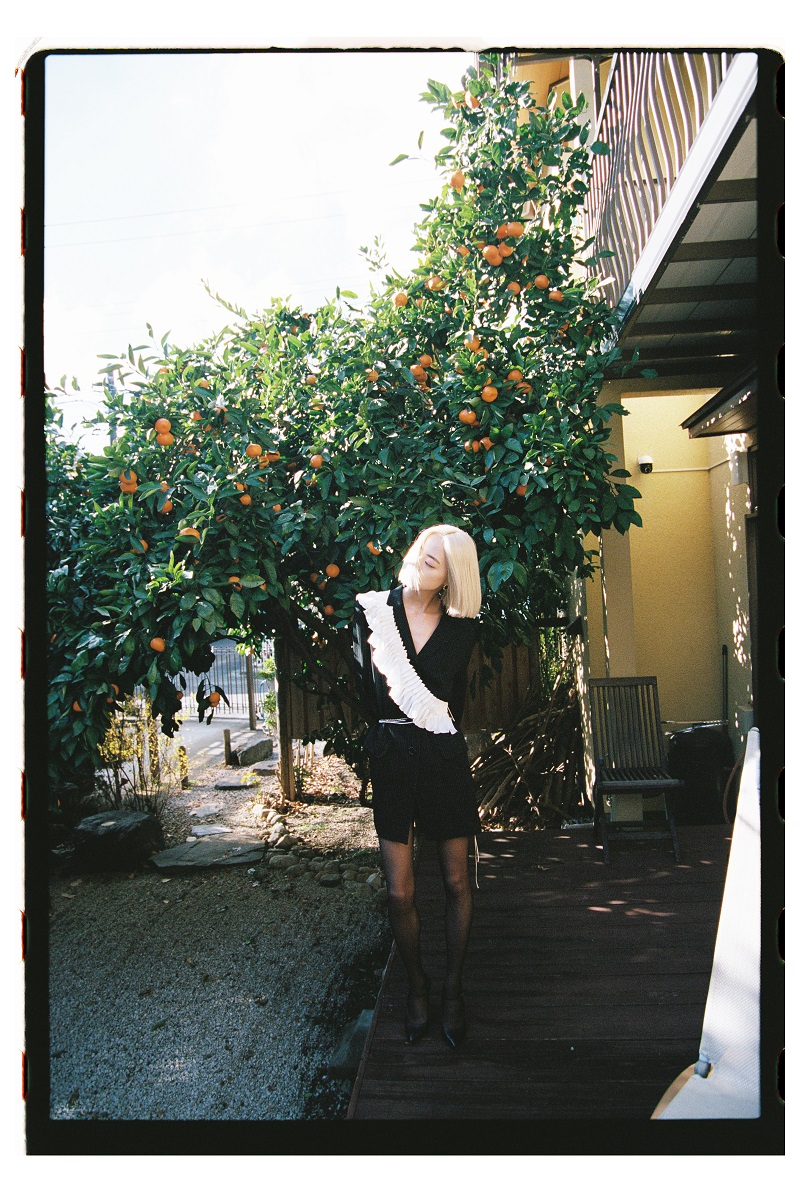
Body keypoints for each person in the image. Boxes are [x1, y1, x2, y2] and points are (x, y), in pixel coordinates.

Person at [351, 524, 482, 1049]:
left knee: (456, 883)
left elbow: (455, 700)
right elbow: (363, 688)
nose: (417, 563)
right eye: (418, 553)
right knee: (399, 891)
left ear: (452, 576)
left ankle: (452, 990)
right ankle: (417, 986)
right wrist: (384, 742)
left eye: (432, 562)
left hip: (443, 761)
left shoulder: (462, 628)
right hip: (392, 759)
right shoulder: (373, 612)